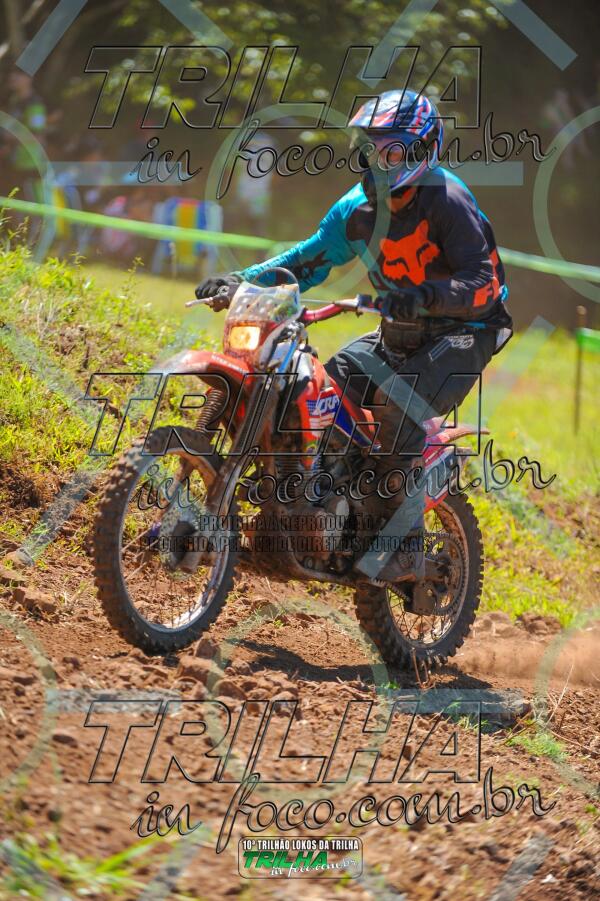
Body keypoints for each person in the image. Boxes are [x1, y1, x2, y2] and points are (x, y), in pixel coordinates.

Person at [195, 90, 513, 584]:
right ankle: (316, 514)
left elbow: (484, 283)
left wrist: (426, 296)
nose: (379, 161)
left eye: (392, 150)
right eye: (371, 149)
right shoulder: (356, 209)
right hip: (397, 331)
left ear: (423, 148)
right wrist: (241, 279)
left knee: (399, 406)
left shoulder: (446, 200)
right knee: (323, 392)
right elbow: (306, 260)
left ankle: (403, 545)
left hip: (466, 332)